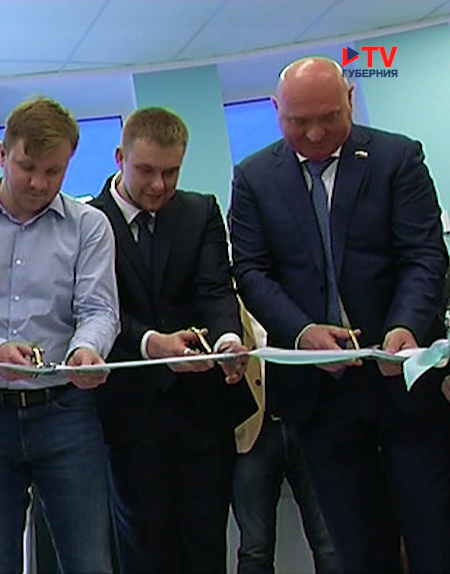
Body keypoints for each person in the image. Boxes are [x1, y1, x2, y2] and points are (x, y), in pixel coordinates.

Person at [230, 56, 450, 572]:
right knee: (355, 543)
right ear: (275, 110)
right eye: (297, 121)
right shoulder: (255, 177)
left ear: (350, 99)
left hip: (403, 379)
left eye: (328, 117)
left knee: (434, 530)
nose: (313, 133)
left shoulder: (397, 158)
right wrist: (302, 332)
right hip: (319, 393)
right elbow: (252, 272)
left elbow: (424, 256)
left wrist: (405, 326)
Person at [0, 96, 119, 574]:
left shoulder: (90, 226)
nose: (39, 183)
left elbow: (99, 309)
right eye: (26, 167)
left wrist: (87, 350)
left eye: (54, 171)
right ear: (2, 154)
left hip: (66, 411)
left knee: (89, 562)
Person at [86, 107, 256, 573]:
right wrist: (151, 343)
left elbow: (215, 289)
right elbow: (95, 309)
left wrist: (227, 340)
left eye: (171, 172)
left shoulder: (199, 211)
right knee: (144, 548)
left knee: (206, 545)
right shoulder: (87, 222)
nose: (159, 185)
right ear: (120, 158)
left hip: (202, 407)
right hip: (128, 412)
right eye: (146, 171)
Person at [232, 307, 338, 574]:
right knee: (255, 549)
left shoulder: (297, 289)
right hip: (253, 427)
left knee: (330, 543)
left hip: (309, 420)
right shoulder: (230, 294)